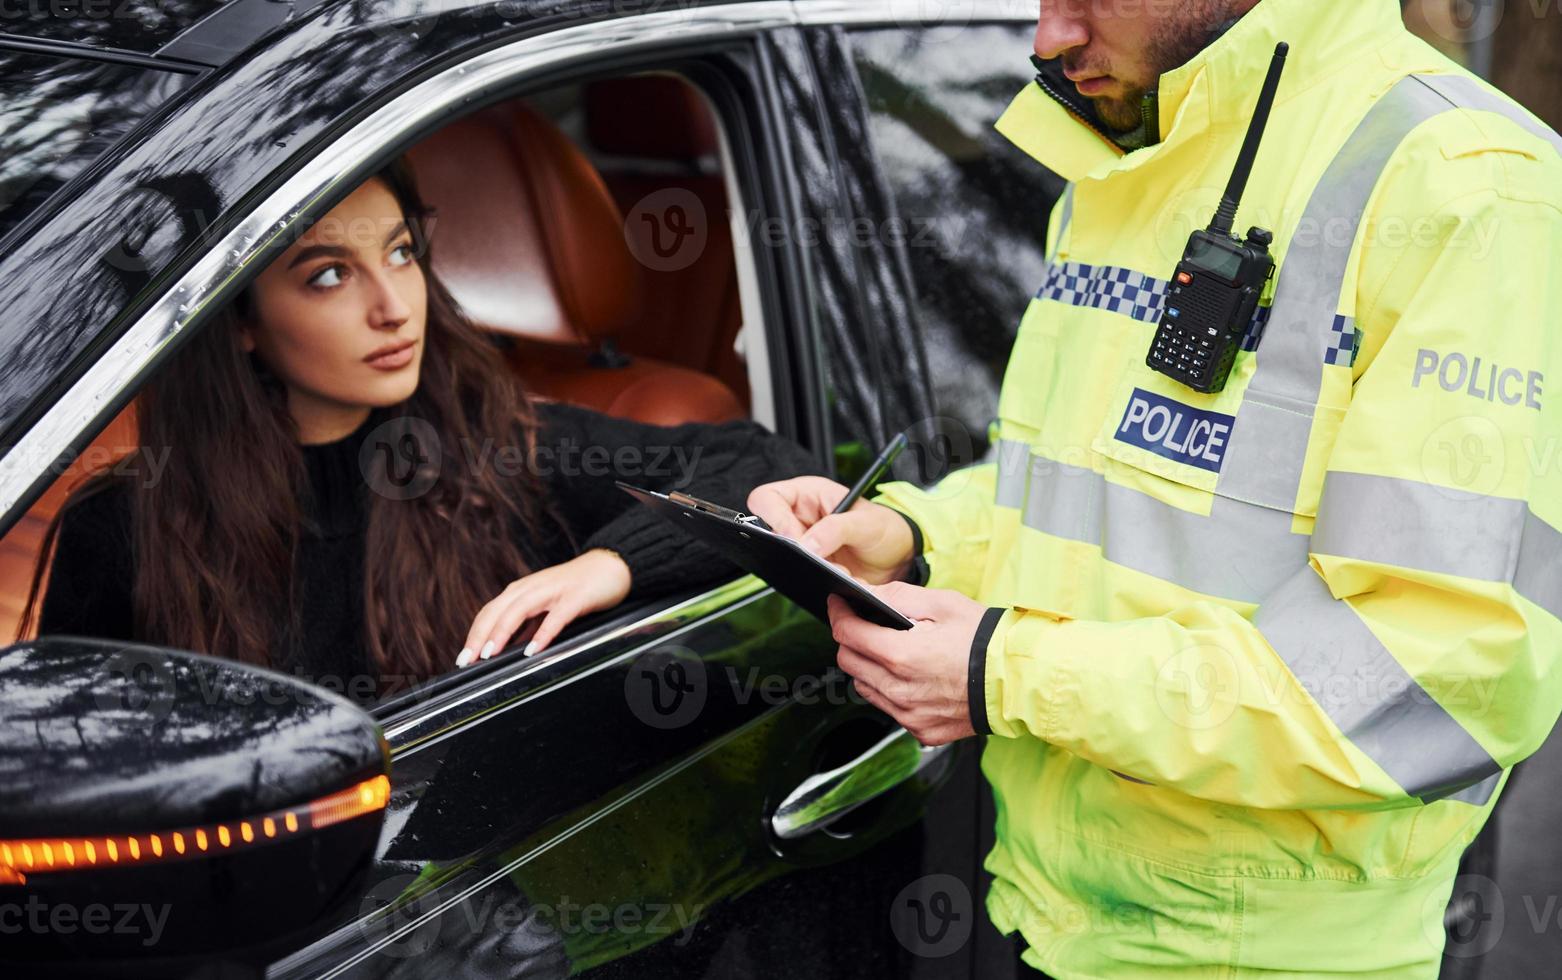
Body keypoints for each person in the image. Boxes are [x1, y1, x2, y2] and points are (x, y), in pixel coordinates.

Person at [749, 0, 1562, 976]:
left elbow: (1434, 676)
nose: (1047, 38)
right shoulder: (1126, 160)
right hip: (1044, 917)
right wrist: (915, 532)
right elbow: (1071, 493)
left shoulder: (1474, 189)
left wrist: (1004, 672)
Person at [20, 156, 820, 703]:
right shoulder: (127, 528)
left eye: (402, 254)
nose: (394, 306)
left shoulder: (495, 452)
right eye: (330, 274)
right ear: (239, 323)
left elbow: (763, 465)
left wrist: (616, 562)